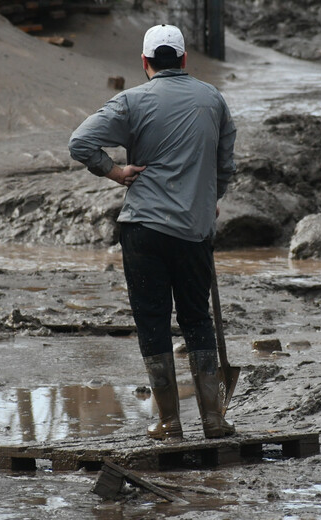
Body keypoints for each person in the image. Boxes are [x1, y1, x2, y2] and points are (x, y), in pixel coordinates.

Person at [68, 24, 237, 440]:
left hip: (143, 229)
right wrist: (209, 196)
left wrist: (115, 171)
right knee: (197, 318)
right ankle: (213, 420)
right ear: (183, 60)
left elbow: (80, 142)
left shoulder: (131, 101)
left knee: (153, 320)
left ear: (145, 63)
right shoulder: (212, 100)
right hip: (194, 232)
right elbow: (226, 164)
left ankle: (169, 422)